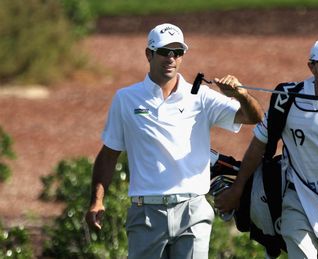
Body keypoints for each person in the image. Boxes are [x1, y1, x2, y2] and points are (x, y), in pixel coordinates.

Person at [85, 23, 263, 259]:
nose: (171, 58)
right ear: (149, 54)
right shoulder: (126, 99)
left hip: (193, 210)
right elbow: (109, 154)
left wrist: (241, 95)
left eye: (177, 52)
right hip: (146, 211)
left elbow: (254, 117)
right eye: (164, 52)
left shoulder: (201, 97)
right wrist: (97, 200)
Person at [215, 37, 318, 258]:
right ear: (311, 66)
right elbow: (258, 146)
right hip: (298, 199)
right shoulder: (286, 99)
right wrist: (238, 188)